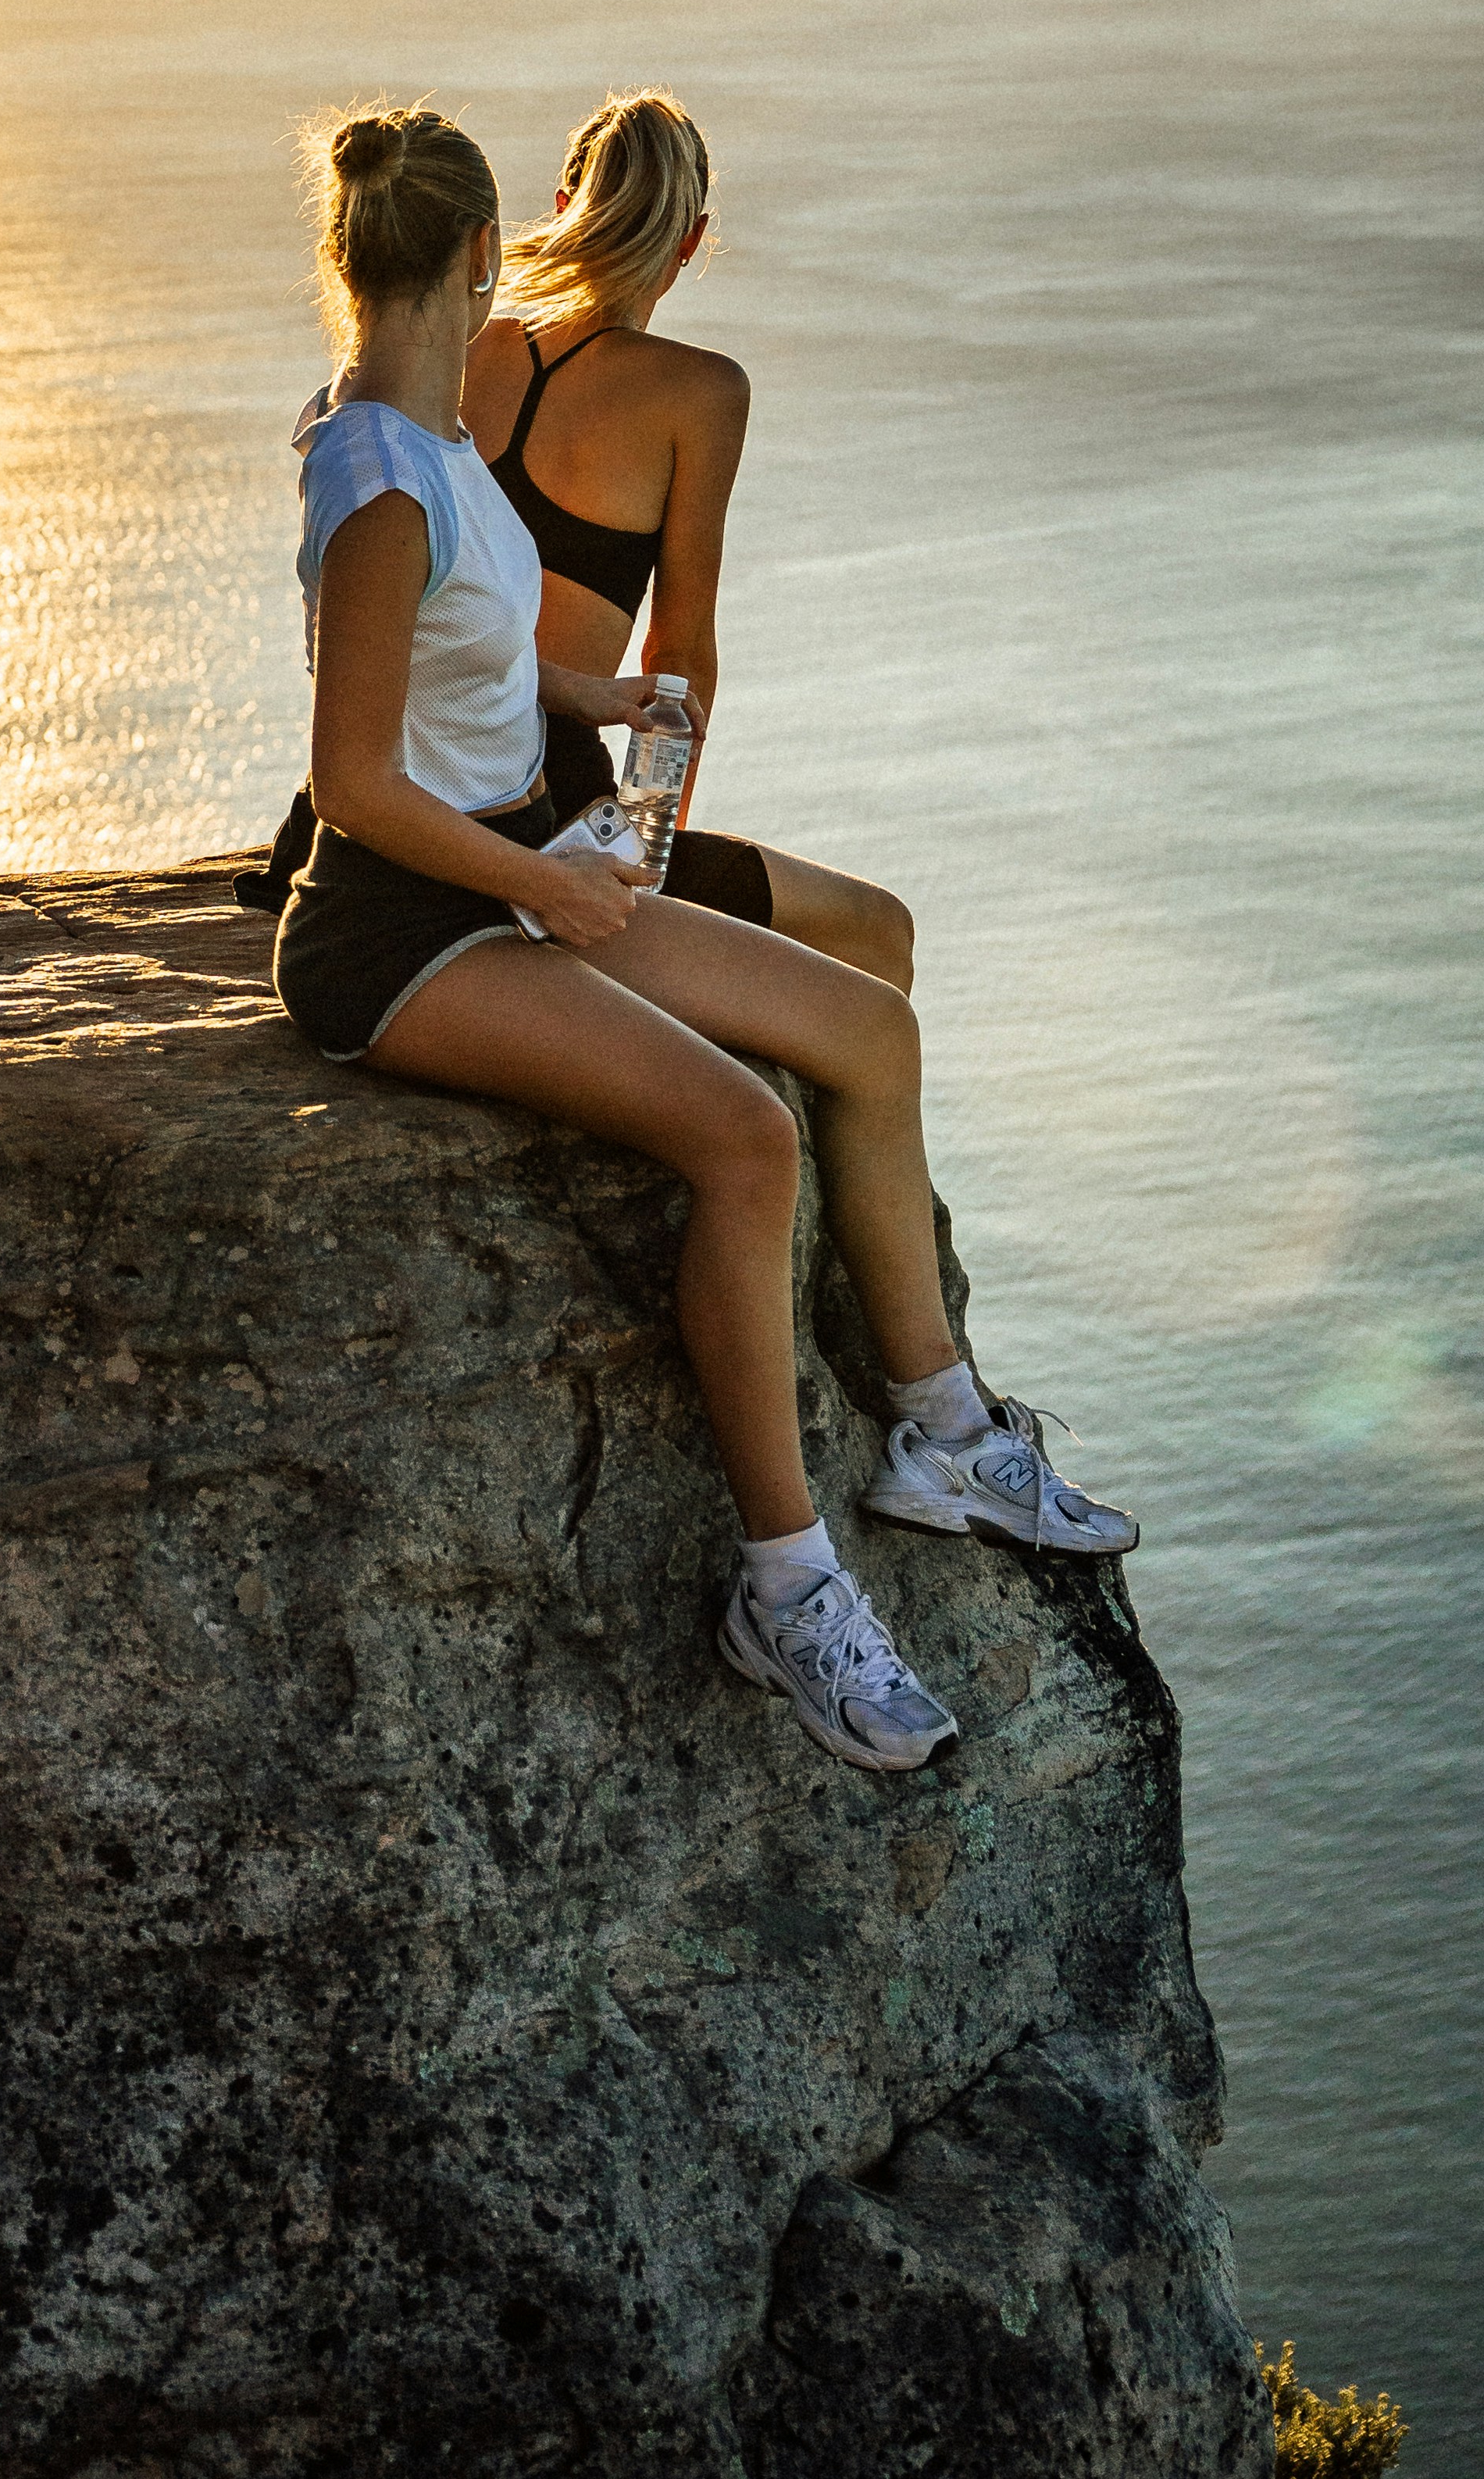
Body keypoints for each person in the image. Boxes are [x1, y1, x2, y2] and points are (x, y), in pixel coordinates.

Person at [272, 100, 1138, 1779]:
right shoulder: (377, 471)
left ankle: (944, 1435)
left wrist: (585, 693)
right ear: (472, 253)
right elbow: (351, 782)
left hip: (519, 865)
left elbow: (460, 655)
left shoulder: (430, 432)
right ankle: (788, 1586)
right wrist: (561, 886)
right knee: (745, 1136)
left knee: (867, 1029)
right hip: (400, 930)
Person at [462, 88, 909, 989]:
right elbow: (680, 655)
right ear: (692, 240)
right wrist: (643, 846)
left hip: (436, 769)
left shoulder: (467, 349)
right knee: (877, 931)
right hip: (550, 800)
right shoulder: (701, 393)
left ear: (562, 210)